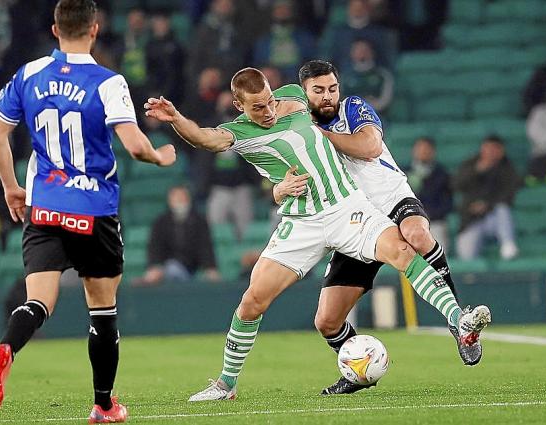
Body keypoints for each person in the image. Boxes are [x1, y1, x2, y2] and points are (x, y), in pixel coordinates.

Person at [145, 67, 490, 401]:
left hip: (346, 207)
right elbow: (205, 138)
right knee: (252, 302)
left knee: (403, 251)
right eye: (258, 107)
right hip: (301, 222)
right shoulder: (240, 133)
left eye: (269, 101)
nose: (268, 111)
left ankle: (459, 321)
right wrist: (177, 120)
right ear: (239, 106)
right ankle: (226, 384)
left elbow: (329, 106)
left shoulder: (294, 97)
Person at [0, 1, 176, 422]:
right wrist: (162, 156)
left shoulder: (30, 74)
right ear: (94, 30)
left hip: (45, 207)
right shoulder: (108, 82)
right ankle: (104, 404)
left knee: (38, 302)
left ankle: (5, 349)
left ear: (55, 29)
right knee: (102, 309)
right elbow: (137, 146)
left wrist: (12, 188)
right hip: (93, 210)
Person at [270, 60, 473, 395]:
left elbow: (370, 147)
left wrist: (317, 134)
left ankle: (457, 322)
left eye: (332, 88)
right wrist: (282, 188)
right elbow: (282, 181)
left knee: (417, 235)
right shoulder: (296, 139)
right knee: (327, 322)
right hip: (354, 223)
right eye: (318, 90)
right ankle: (358, 370)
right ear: (304, 93)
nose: (328, 96)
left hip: (391, 201)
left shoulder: (353, 108)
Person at [137, 185, 220, 285]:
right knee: (171, 269)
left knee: (173, 269)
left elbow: (205, 247)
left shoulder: (199, 222)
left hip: (192, 267)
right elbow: (155, 247)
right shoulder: (161, 222)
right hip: (165, 267)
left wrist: (210, 268)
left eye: (182, 197)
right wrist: (155, 267)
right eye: (176, 197)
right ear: (169, 200)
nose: (180, 201)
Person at [454, 136, 520, 261]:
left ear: (501, 151)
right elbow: (456, 185)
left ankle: (508, 245)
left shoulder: (507, 169)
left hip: (494, 219)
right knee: (466, 258)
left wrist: (487, 205)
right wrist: (477, 171)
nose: (490, 152)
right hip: (471, 220)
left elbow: (508, 194)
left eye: (494, 149)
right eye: (487, 148)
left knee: (502, 209)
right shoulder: (471, 165)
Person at [406, 137, 453, 251]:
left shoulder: (441, 174)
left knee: (439, 253)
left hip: (434, 221)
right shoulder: (403, 172)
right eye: (420, 148)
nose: (423, 152)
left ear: (433, 152)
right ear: (414, 151)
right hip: (408, 221)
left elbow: (448, 202)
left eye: (426, 149)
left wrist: (428, 215)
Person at [252, 0, 316, 82]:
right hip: (271, 78)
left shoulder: (304, 37)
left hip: (296, 77)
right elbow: (258, 62)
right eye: (279, 8)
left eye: (286, 8)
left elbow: (312, 60)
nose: (282, 11)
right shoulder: (263, 40)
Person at [340, 39, 394, 114]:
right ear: (351, 53)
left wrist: (365, 108)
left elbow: (385, 100)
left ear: (372, 52)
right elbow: (339, 99)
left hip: (375, 116)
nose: (362, 52)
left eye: (365, 49)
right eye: (357, 49)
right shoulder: (344, 76)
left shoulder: (382, 75)